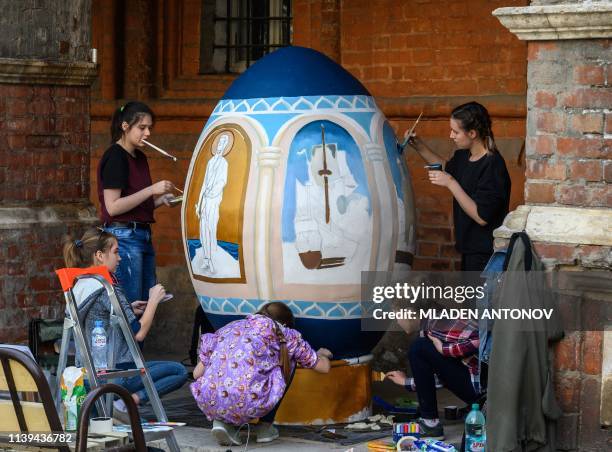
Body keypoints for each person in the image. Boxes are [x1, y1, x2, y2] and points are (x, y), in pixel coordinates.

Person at [62, 227, 188, 421]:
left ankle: (121, 405)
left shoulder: (78, 284)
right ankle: (127, 400)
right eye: (115, 252)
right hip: (116, 371)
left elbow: (99, 316)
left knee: (131, 430)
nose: (119, 258)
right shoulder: (106, 286)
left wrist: (128, 308)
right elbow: (138, 334)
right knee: (179, 371)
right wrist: (153, 301)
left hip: (85, 373)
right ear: (99, 255)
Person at [190, 302, 332, 446]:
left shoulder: (230, 327)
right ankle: (265, 427)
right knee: (288, 360)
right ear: (286, 323)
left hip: (209, 399)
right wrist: (323, 354)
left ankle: (220, 422)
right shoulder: (287, 335)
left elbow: (196, 374)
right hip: (248, 400)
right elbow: (323, 368)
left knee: (225, 373)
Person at [404, 101, 511, 272]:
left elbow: (481, 216)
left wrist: (450, 183)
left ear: (472, 133)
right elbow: (447, 167)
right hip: (468, 249)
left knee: (478, 299)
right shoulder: (463, 156)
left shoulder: (493, 166)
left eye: (456, 131)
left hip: (486, 255)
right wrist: (419, 146)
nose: (451, 135)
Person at [97, 101, 177, 303]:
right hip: (123, 238)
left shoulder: (140, 157)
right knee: (133, 305)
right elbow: (113, 207)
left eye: (149, 128)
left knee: (146, 302)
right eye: (142, 127)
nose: (148, 133)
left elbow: (135, 207)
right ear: (125, 126)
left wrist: (159, 200)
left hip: (142, 236)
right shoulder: (115, 156)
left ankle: (140, 336)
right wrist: (151, 190)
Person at [195, 132, 230, 274]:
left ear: (225, 146)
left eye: (223, 143)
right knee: (203, 230)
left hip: (214, 200)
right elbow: (204, 182)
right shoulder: (210, 162)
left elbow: (223, 182)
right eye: (219, 142)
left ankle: (212, 260)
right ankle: (206, 259)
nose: (220, 145)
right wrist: (199, 201)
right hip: (205, 200)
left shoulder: (223, 163)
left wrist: (212, 193)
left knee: (211, 228)